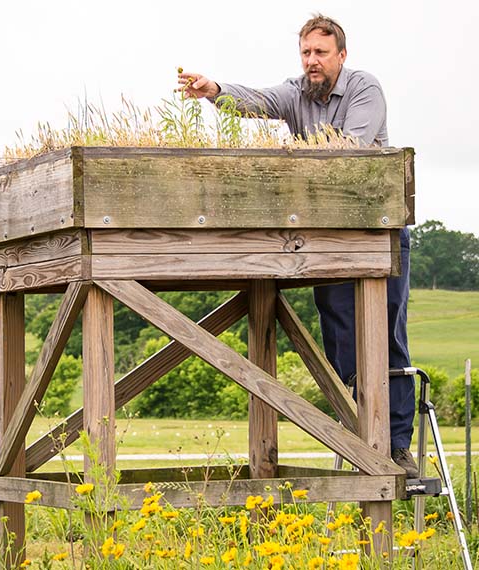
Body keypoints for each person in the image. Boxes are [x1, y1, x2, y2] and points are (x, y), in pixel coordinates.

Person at [179, 13, 418, 478]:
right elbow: (261, 99)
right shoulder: (297, 93)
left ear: (341, 57)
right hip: (329, 239)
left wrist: (291, 159)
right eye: (306, 53)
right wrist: (214, 90)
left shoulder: (365, 89)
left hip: (378, 233)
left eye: (321, 53)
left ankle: (398, 446)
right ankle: (361, 432)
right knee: (340, 339)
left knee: (386, 336)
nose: (312, 61)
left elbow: (348, 148)